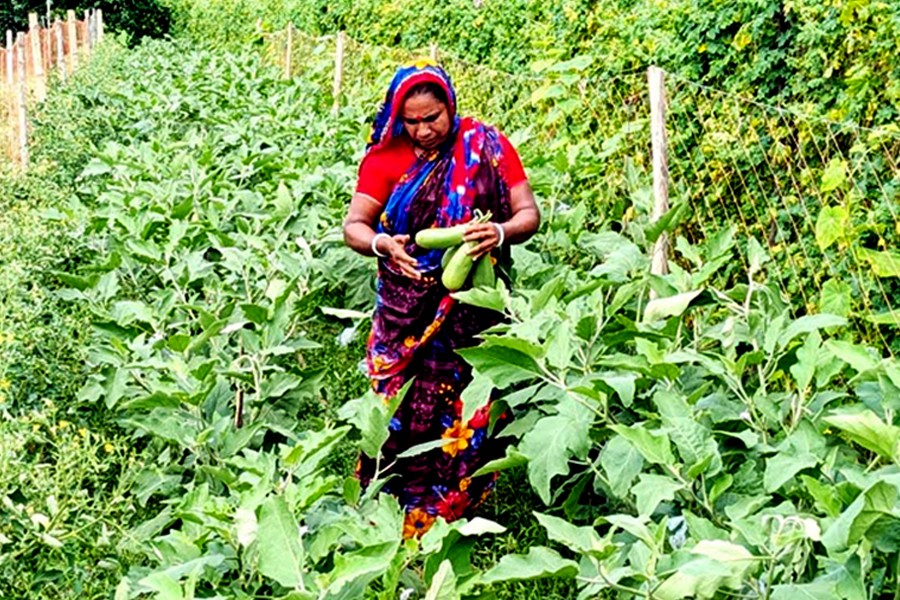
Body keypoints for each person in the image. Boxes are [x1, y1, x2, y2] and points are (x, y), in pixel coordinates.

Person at [343, 61, 540, 538]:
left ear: (450, 108)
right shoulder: (385, 158)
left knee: (464, 404)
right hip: (403, 306)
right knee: (396, 406)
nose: (424, 130)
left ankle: (452, 509)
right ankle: (388, 506)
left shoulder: (485, 147)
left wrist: (497, 231)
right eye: (412, 120)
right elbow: (355, 227)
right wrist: (382, 244)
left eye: (433, 118)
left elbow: (528, 215)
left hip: (472, 304)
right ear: (396, 117)